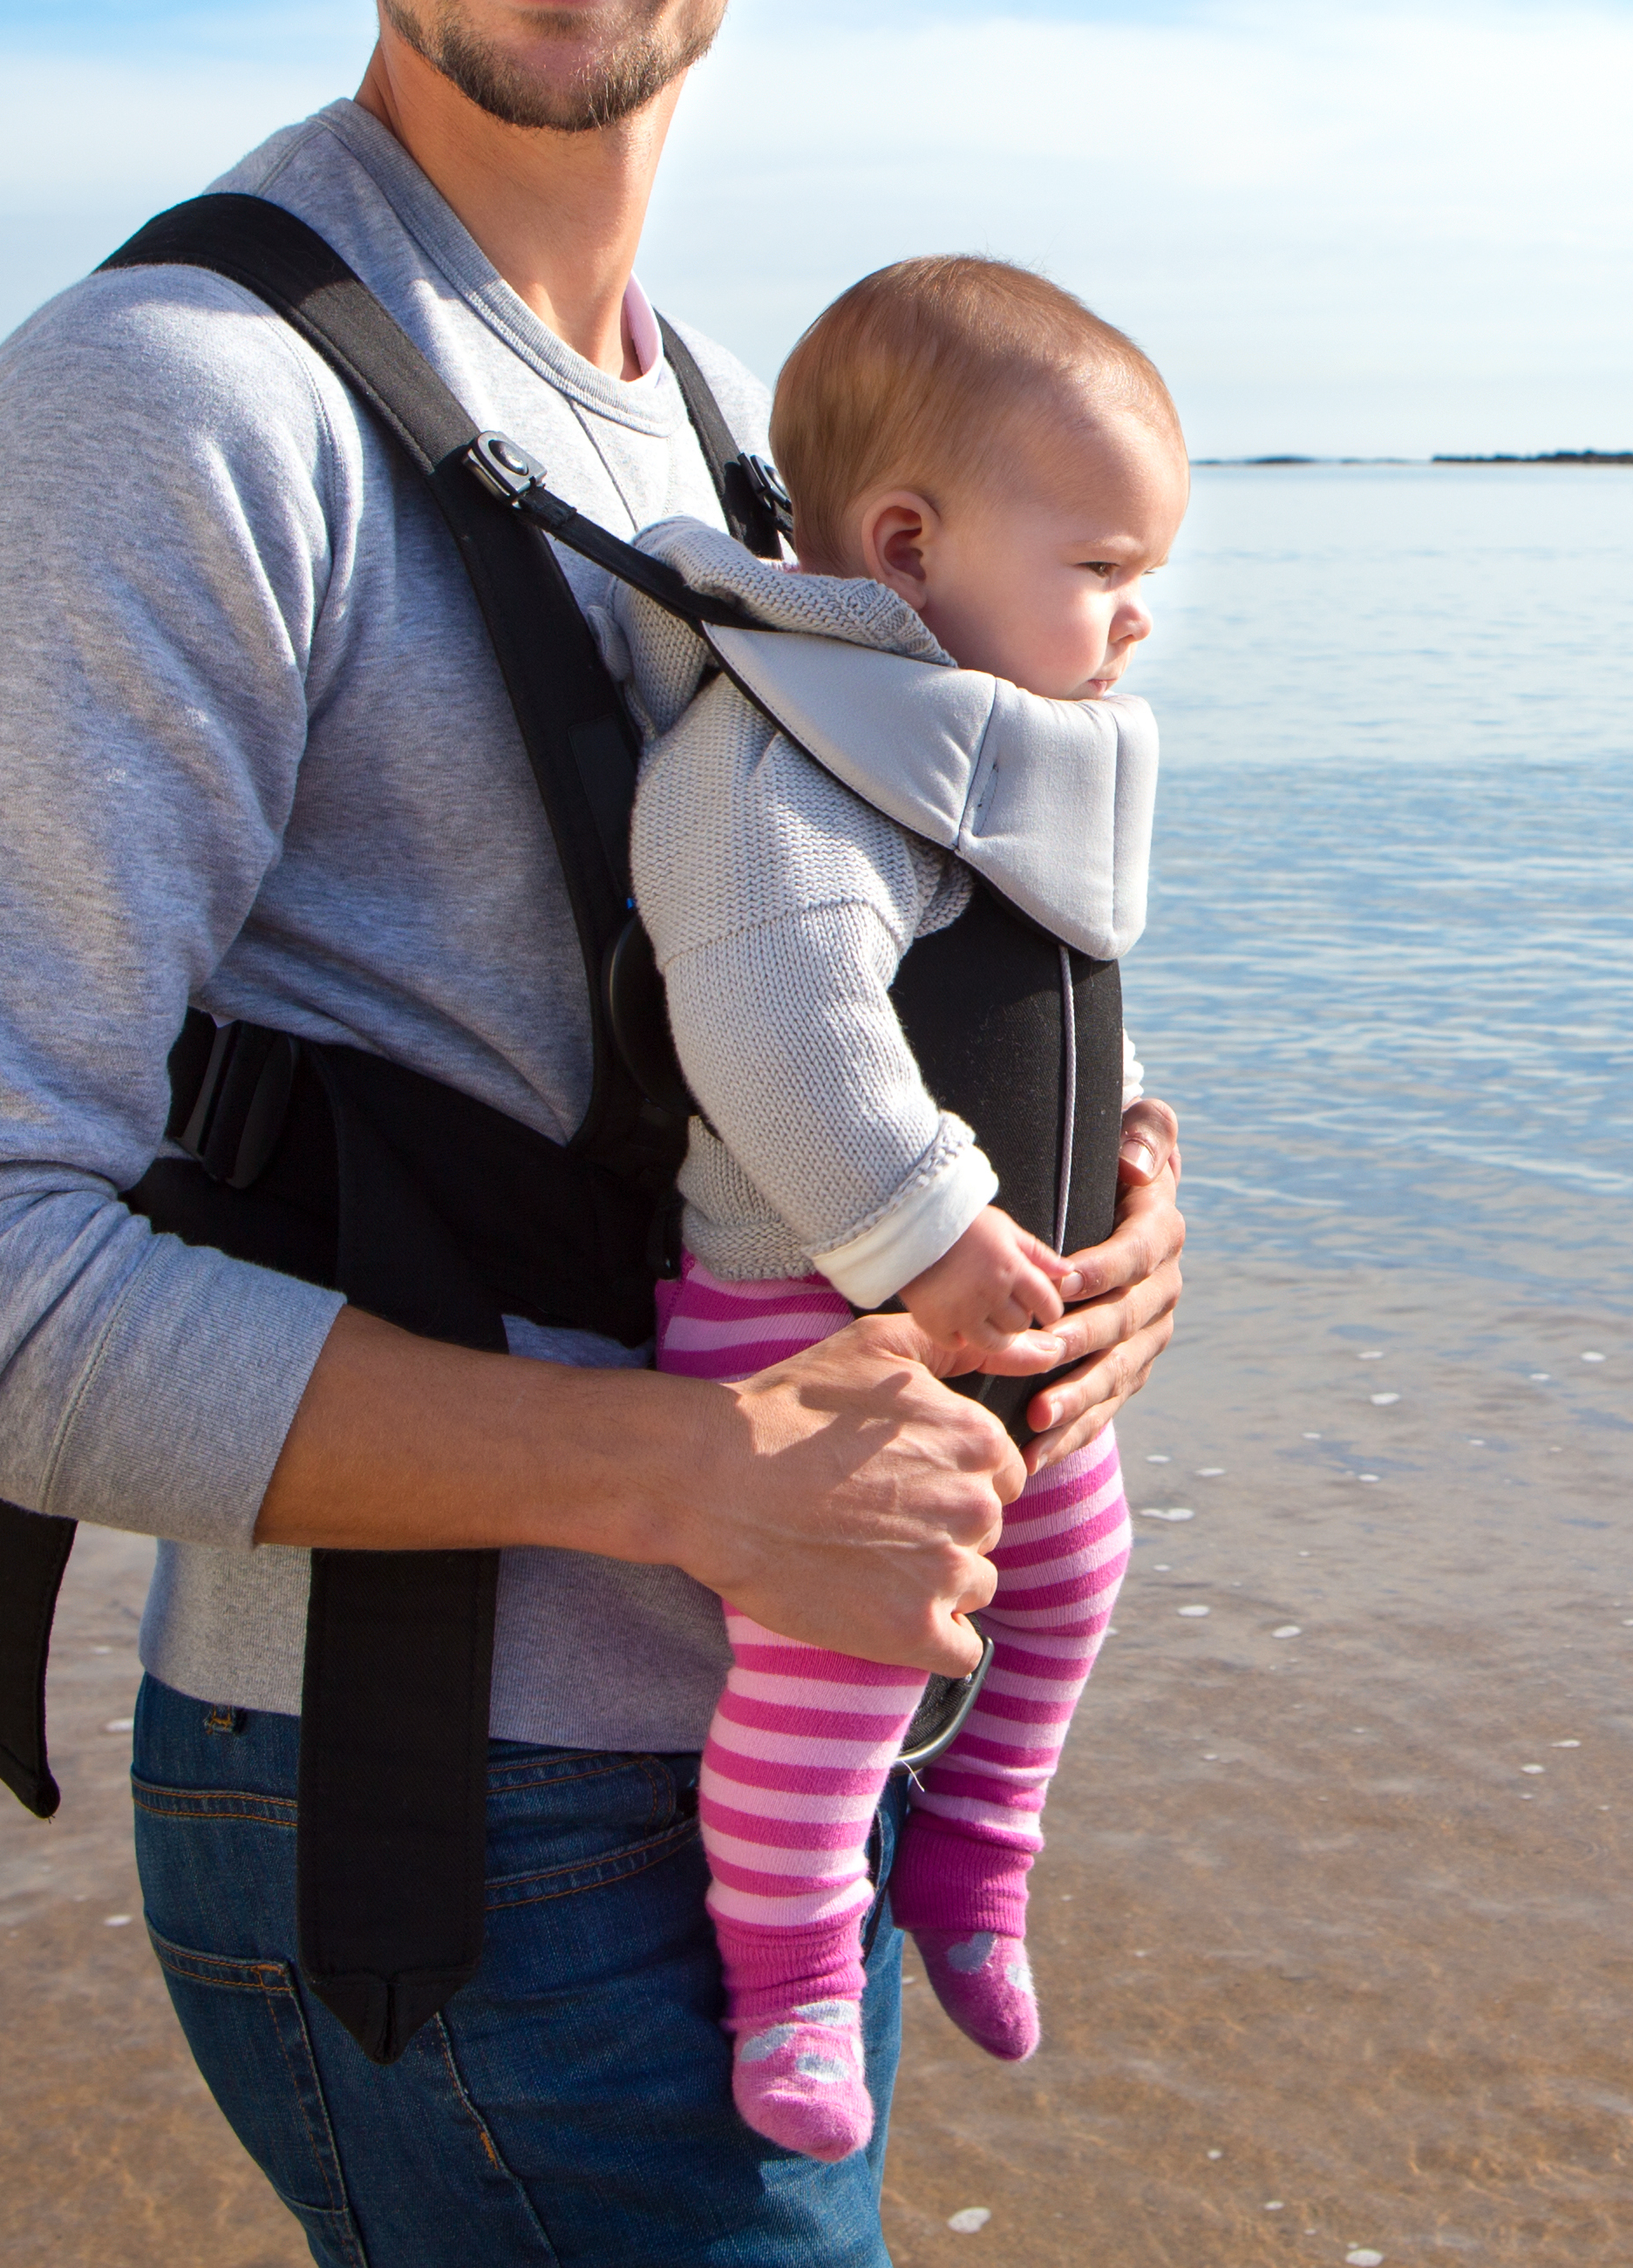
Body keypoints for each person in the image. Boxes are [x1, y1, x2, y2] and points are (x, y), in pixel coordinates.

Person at [0, 0, 1184, 2268]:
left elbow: (800, 986)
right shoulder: (169, 419)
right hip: (468, 1820)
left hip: (744, 1762)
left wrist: (1090, 1225)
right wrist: (676, 1473)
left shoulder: (743, 436)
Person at [622, 258, 1181, 2157]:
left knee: (1074, 1569)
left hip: (989, 1313)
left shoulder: (951, 734)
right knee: (846, 1649)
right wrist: (931, 1227)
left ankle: (974, 1865)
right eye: (1101, 567)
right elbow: (776, 1010)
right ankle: (786, 1975)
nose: (1137, 618)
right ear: (912, 543)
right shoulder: (782, 752)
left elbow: (1011, 997)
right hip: (819, 1319)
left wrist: (1122, 1155)